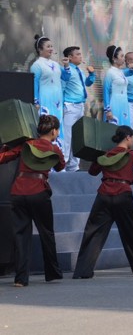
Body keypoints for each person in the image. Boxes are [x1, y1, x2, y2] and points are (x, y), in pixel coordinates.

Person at [73, 126, 133, 278]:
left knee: (93, 232)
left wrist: (99, 155)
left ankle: (83, 271)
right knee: (131, 231)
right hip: (123, 194)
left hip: (103, 195)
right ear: (128, 137)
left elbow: (92, 171)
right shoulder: (131, 155)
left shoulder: (106, 154)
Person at [0, 114, 65, 287]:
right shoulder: (54, 148)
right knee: (46, 233)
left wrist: (6, 146)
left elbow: (3, 158)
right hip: (39, 192)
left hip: (18, 192)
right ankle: (52, 273)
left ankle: (21, 279)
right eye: (58, 131)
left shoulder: (25, 144)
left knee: (21, 235)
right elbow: (61, 166)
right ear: (53, 131)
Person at [60, 45, 96, 171]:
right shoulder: (66, 69)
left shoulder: (79, 70)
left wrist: (91, 74)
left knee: (77, 136)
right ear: (70, 57)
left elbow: (87, 83)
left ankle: (74, 165)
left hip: (79, 106)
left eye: (81, 54)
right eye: (78, 54)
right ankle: (62, 164)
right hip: (70, 106)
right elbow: (65, 78)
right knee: (67, 136)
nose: (81, 56)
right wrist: (66, 66)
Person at [31, 34, 64, 123]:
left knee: (58, 123)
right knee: (47, 123)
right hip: (45, 99)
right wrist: (36, 102)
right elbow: (34, 84)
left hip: (58, 99)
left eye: (51, 46)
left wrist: (67, 66)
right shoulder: (37, 65)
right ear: (40, 49)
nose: (51, 49)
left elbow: (66, 77)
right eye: (48, 46)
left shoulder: (56, 64)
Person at [102, 44, 130, 127]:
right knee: (114, 128)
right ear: (114, 59)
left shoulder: (121, 72)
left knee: (124, 128)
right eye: (121, 56)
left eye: (123, 56)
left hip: (124, 102)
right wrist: (108, 110)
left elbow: (131, 71)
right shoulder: (110, 72)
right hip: (114, 102)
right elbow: (106, 92)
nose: (124, 59)